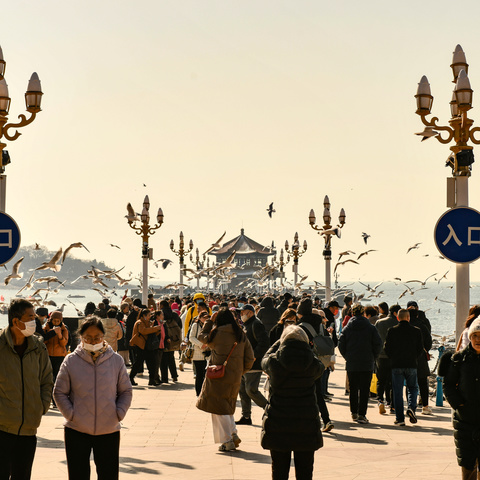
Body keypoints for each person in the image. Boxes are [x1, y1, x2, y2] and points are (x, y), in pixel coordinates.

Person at [54, 316, 132, 480]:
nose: (93, 340)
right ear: (81, 337)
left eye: (97, 337)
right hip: (76, 430)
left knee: (108, 474)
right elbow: (59, 392)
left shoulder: (116, 360)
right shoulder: (71, 360)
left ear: (103, 336)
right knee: (78, 474)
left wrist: (118, 413)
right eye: (88, 337)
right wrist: (71, 415)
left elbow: (126, 391)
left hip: (108, 429)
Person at [261, 325, 324, 480]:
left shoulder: (274, 362)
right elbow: (320, 365)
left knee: (279, 471)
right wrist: (309, 348)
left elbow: (263, 360)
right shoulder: (312, 364)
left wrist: (278, 343)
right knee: (305, 471)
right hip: (306, 423)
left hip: (278, 422)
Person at [0, 299, 53, 479]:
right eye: (30, 317)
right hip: (2, 429)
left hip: (29, 429)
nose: (35, 321)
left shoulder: (38, 347)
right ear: (16, 321)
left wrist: (42, 405)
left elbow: (46, 379)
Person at [196, 308, 254, 452]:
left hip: (218, 375)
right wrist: (240, 371)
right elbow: (250, 357)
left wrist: (209, 322)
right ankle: (233, 434)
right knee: (227, 405)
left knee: (218, 407)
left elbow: (202, 337)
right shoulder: (241, 334)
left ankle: (227, 440)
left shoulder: (217, 333)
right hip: (234, 376)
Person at [442, 317, 480, 480]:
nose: (478, 340)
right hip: (465, 421)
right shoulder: (459, 360)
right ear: (470, 337)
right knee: (468, 466)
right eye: (475, 335)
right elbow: (448, 385)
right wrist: (459, 404)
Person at [338, 303, 382, 424]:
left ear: (352, 313)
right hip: (367, 362)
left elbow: (341, 344)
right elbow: (378, 344)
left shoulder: (347, 328)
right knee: (364, 389)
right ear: (363, 313)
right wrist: (374, 357)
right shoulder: (371, 328)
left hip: (352, 363)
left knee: (353, 389)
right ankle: (362, 414)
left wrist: (347, 356)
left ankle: (354, 413)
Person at [384, 308, 424, 426]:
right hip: (411, 364)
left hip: (396, 364)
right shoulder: (416, 331)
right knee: (413, 388)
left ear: (397, 318)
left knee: (397, 391)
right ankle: (411, 407)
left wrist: (392, 357)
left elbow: (387, 348)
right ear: (408, 318)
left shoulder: (392, 331)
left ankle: (400, 418)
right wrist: (414, 357)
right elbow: (420, 349)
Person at [236, 304, 269, 425]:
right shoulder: (246, 325)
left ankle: (268, 408)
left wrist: (253, 356)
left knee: (251, 390)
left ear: (250, 312)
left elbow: (264, 343)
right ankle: (246, 416)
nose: (241, 315)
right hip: (244, 363)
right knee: (243, 390)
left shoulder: (256, 324)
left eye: (243, 312)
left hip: (253, 364)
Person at [375, 304, 401, 414]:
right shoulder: (398, 324)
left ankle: (380, 400)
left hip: (380, 355)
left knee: (381, 380)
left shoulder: (379, 322)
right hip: (394, 357)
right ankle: (392, 405)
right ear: (396, 313)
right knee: (392, 382)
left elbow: (375, 339)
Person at [129, 308, 162, 386]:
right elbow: (143, 331)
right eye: (149, 315)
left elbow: (151, 334)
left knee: (151, 363)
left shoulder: (147, 323)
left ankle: (152, 380)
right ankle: (130, 378)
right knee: (138, 363)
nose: (150, 316)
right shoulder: (140, 323)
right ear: (144, 315)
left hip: (147, 346)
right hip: (140, 346)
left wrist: (156, 329)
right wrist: (155, 328)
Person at [43, 310, 69, 387]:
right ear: (51, 320)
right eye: (54, 321)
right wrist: (51, 333)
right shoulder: (46, 328)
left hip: (59, 355)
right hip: (49, 355)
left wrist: (59, 335)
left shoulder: (64, 329)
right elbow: (43, 341)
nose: (56, 322)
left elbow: (64, 343)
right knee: (49, 376)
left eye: (58, 321)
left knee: (58, 375)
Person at [160, 300, 183, 383]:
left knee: (163, 360)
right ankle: (174, 376)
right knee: (171, 357)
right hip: (173, 339)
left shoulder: (160, 314)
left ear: (161, 305)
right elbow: (180, 326)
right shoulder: (174, 314)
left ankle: (164, 378)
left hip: (163, 339)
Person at [189, 310, 210, 396]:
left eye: (207, 317)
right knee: (199, 374)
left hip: (208, 353)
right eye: (203, 317)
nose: (205, 319)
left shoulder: (210, 326)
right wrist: (201, 344)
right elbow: (191, 337)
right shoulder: (195, 325)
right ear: (200, 318)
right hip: (198, 353)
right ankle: (199, 392)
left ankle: (205, 391)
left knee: (206, 374)